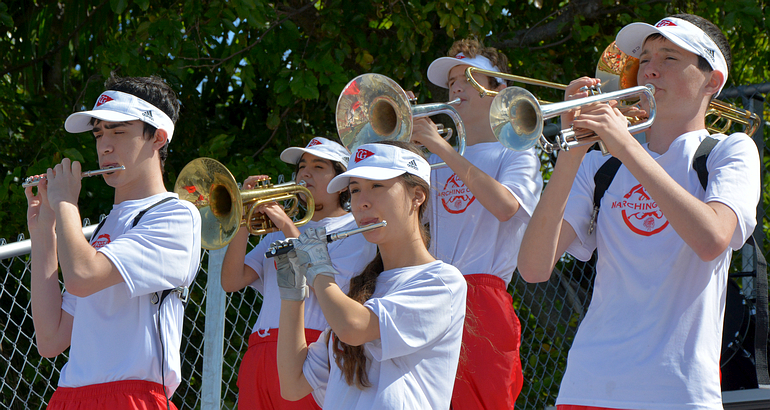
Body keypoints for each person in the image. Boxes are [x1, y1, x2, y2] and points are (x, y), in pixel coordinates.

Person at [518, 14, 760, 410]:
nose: (649, 69)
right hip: (588, 385)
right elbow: (532, 268)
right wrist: (572, 150)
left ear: (712, 81)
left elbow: (712, 238)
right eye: (645, 57)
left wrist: (627, 147)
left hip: (678, 392)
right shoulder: (601, 166)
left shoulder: (729, 150)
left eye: (668, 58)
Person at [25, 74, 201, 410]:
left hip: (132, 397)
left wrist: (65, 204)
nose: (104, 146)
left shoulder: (177, 214)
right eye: (99, 133)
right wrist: (44, 234)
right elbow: (50, 339)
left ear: (158, 138)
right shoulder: (105, 224)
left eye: (119, 131)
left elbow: (82, 276)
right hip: (70, 395)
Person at [275, 141, 467, 409]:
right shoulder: (358, 291)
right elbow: (292, 384)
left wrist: (318, 268)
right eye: (355, 190)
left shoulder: (442, 281)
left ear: (417, 195)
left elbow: (353, 328)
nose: (362, 202)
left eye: (377, 186)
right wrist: (292, 291)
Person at [411, 38, 543, 408]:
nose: (456, 86)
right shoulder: (437, 158)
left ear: (499, 88)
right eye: (452, 80)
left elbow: (505, 207)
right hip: (431, 291)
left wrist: (441, 149)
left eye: (468, 77)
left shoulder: (517, 152)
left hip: (483, 294)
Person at [221, 136, 377, 409]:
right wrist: (242, 217)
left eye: (319, 167)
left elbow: (327, 288)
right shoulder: (277, 231)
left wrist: (285, 225)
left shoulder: (355, 230)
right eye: (302, 166)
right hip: (259, 349)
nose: (305, 172)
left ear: (341, 182)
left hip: (310, 351)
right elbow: (231, 281)